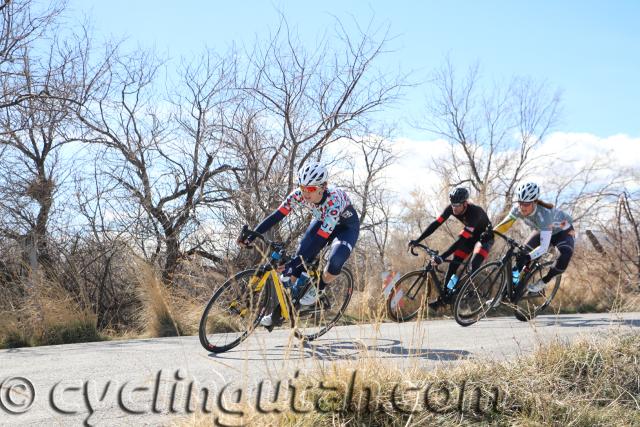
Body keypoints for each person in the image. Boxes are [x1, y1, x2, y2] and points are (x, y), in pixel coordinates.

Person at [239, 161, 360, 327]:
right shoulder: (298, 194)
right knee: (294, 268)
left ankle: (318, 288)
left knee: (335, 261)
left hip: (346, 228)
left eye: (310, 189)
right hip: (322, 222)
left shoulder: (333, 201)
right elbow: (277, 216)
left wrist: (295, 263)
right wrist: (253, 234)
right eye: (302, 187)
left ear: (323, 187)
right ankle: (279, 314)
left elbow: (319, 241)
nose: (305, 193)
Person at [409, 187, 493, 307]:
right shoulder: (451, 209)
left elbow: (461, 240)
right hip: (471, 237)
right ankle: (445, 296)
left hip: (485, 239)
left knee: (472, 267)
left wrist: (442, 257)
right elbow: (435, 224)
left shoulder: (475, 212)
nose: (454, 208)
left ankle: (473, 296)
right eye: (453, 204)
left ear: (465, 203)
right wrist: (418, 240)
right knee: (454, 264)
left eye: (457, 205)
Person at [493, 181, 575, 293]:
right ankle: (505, 293)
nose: (522, 207)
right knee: (521, 256)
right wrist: (490, 234)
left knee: (565, 254)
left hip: (563, 232)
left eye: (526, 204)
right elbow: (504, 225)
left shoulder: (545, 215)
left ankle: (544, 281)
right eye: (520, 202)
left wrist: (528, 257)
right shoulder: (517, 209)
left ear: (534, 202)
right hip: (542, 230)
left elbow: (544, 247)